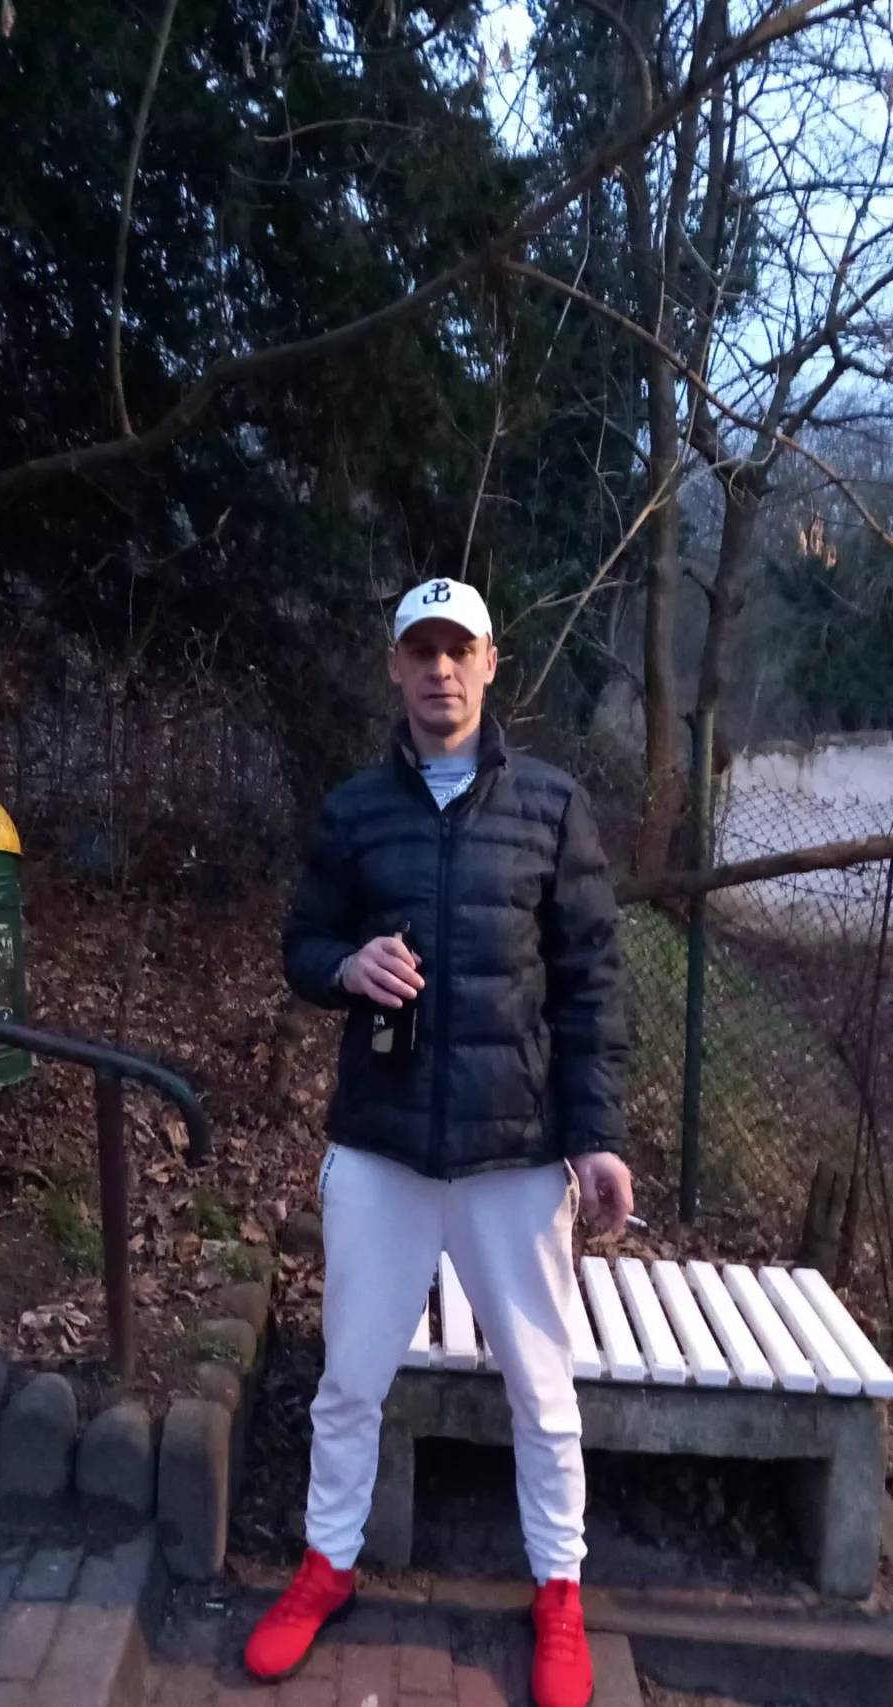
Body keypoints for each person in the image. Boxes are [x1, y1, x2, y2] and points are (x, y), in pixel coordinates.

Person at [245, 576, 631, 1707]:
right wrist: (344, 965)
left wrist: (595, 1137)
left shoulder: (551, 806)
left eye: (458, 649)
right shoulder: (354, 810)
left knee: (542, 1393)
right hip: (382, 1149)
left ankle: (557, 1590)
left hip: (515, 1153)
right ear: (395, 668)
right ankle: (327, 1563)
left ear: (490, 663)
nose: (440, 670)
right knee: (349, 1381)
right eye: (421, 651)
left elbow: (591, 984)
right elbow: (302, 943)